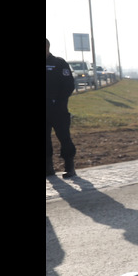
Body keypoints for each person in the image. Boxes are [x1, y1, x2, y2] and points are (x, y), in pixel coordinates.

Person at [46, 38, 77, 178]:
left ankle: (69, 167)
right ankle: (48, 167)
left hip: (58, 110)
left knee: (64, 138)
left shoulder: (58, 63)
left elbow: (69, 85)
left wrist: (58, 101)